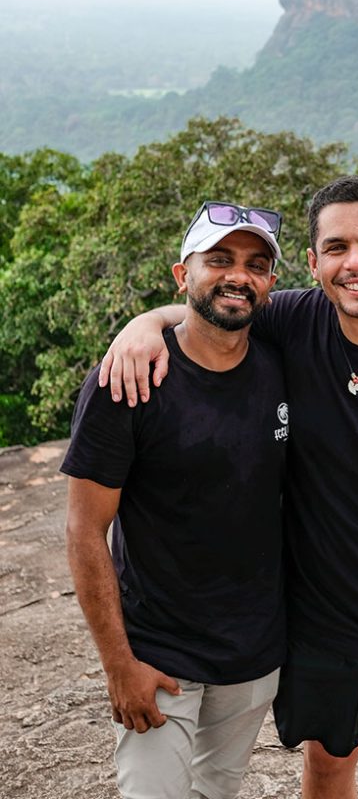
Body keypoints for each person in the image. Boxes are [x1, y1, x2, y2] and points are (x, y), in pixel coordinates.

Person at [100, 176, 358, 799]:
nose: (357, 263)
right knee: (327, 771)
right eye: (337, 247)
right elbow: (215, 303)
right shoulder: (295, 321)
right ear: (315, 264)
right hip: (315, 629)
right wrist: (141, 325)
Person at [62, 202, 289, 799]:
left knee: (217, 790)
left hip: (255, 655)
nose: (238, 275)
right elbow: (85, 531)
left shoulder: (283, 365)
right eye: (218, 260)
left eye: (256, 264)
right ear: (181, 274)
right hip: (159, 658)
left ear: (270, 283)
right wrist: (118, 664)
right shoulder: (128, 381)